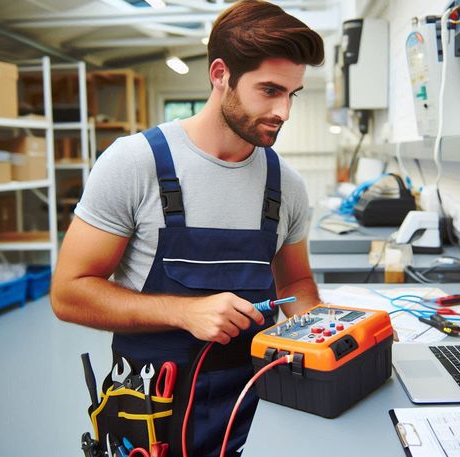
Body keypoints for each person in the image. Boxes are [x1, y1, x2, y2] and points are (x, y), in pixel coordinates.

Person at [50, 1, 324, 455]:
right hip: (155, 412)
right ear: (220, 74)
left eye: (292, 94)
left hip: (259, 408)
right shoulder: (135, 163)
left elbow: (295, 284)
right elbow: (68, 293)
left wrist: (329, 332)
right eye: (270, 90)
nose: (284, 111)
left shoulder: (286, 185)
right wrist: (183, 313)